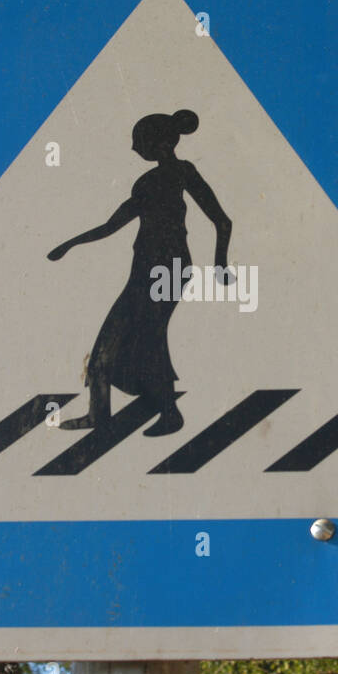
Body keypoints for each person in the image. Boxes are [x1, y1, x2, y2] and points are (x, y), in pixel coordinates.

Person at [47, 109, 231, 436]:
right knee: (107, 344)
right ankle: (98, 417)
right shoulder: (145, 182)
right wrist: (69, 244)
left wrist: (221, 265)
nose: (135, 149)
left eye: (139, 142)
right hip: (143, 270)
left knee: (149, 341)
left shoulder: (183, 173)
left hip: (170, 269)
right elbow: (110, 226)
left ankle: (170, 414)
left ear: (157, 144)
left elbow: (222, 220)